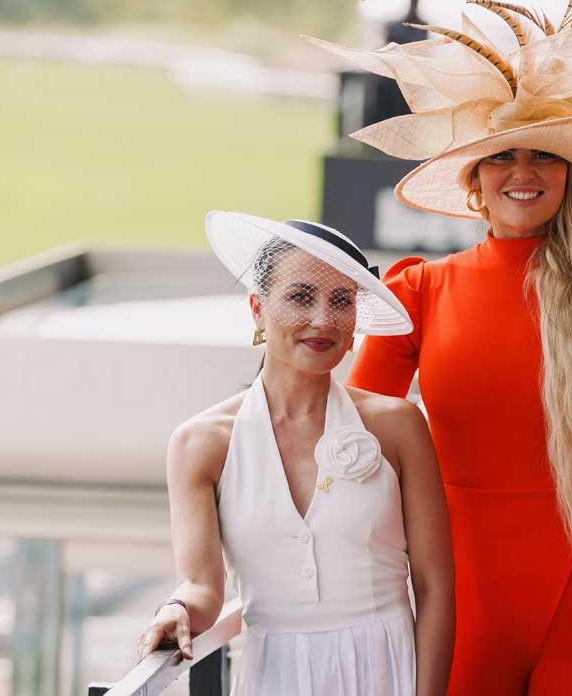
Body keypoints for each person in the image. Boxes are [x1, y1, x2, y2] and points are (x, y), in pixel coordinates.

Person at [307, 0, 572, 693]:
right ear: (476, 183)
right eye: (504, 157)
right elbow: (343, 450)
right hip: (457, 607)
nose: (525, 173)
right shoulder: (417, 293)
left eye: (545, 157)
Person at [136, 214, 455, 696]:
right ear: (258, 310)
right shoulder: (199, 444)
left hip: (388, 669)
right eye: (301, 297)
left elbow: (435, 587)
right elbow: (202, 586)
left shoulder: (399, 425)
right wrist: (176, 610)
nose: (323, 319)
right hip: (273, 674)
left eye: (341, 301)